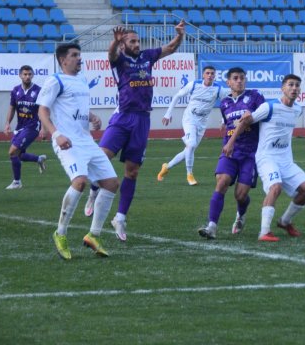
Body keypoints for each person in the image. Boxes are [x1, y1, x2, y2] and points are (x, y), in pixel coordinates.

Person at [83, 21, 185, 242]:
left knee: (132, 172)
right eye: (132, 41)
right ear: (123, 45)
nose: (137, 44)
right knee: (101, 158)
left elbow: (170, 48)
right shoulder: (119, 60)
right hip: (122, 117)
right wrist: (115, 42)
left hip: (142, 120)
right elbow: (110, 55)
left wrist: (180, 35)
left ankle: (120, 218)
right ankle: (93, 191)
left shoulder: (147, 57)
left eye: (138, 41)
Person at [38, 42, 119, 260]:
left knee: (111, 183)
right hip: (67, 141)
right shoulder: (55, 81)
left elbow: (77, 107)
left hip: (86, 140)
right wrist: (56, 134)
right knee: (80, 181)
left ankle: (93, 235)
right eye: (74, 55)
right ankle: (60, 233)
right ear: (63, 60)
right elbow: (43, 111)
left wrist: (91, 116)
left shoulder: (82, 79)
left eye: (79, 55)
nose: (79, 58)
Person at [226, 74, 305, 242]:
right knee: (275, 187)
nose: (294, 88)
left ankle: (285, 222)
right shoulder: (269, 107)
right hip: (267, 157)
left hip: (286, 160)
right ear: (283, 88)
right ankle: (264, 232)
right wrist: (230, 142)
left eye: (297, 86)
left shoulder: (298, 109)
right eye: (290, 85)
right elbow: (246, 121)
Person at [196, 67, 266, 240]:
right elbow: (229, 123)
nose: (239, 81)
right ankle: (212, 226)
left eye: (242, 78)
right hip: (230, 151)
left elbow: (260, 118)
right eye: (235, 78)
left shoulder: (255, 97)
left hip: (250, 153)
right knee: (221, 183)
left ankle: (241, 215)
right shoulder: (225, 103)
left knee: (240, 195)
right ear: (228, 82)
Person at [158, 65, 228, 186]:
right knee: (191, 144)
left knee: (189, 149)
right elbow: (177, 96)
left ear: (214, 76)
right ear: (203, 75)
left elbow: (227, 104)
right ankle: (189, 175)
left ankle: (167, 166)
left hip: (202, 122)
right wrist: (168, 114)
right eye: (207, 73)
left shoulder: (218, 89)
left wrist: (224, 120)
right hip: (189, 119)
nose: (210, 75)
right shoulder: (194, 85)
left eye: (212, 73)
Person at [3, 65, 47, 190]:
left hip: (33, 126)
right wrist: (7, 123)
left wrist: (44, 128)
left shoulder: (38, 91)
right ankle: (39, 159)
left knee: (12, 152)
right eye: (25, 74)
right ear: (20, 75)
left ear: (32, 75)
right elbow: (12, 108)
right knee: (19, 155)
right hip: (20, 126)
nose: (27, 77)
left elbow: (43, 110)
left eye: (29, 74)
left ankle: (17, 182)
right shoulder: (16, 90)